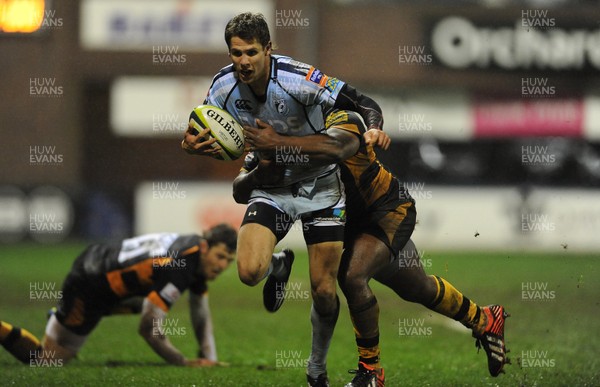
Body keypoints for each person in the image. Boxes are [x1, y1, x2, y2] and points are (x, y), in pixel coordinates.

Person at [181, 12, 386, 385]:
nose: (243, 61)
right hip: (271, 185)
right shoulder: (222, 87)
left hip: (321, 185)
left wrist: (373, 127)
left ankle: (316, 369)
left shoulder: (298, 78)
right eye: (236, 53)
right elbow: (204, 129)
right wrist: (192, 145)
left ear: (269, 50)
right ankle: (278, 263)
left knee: (324, 291)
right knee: (247, 273)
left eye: (251, 53)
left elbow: (361, 100)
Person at [243, 110, 509, 386]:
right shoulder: (274, 143)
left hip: (386, 211)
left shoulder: (337, 123)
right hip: (351, 227)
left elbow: (346, 133)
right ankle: (484, 319)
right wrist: (260, 168)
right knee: (417, 287)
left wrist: (373, 126)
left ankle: (371, 372)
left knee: (352, 276)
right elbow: (243, 188)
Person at [0, 224, 237, 367]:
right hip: (93, 282)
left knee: (143, 302)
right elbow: (148, 329)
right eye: (220, 256)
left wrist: (209, 357)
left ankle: (61, 317)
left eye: (229, 260)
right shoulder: (182, 265)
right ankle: (59, 317)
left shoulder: (194, 249)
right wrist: (181, 362)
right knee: (49, 360)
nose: (223, 265)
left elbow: (199, 308)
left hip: (102, 264)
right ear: (206, 247)